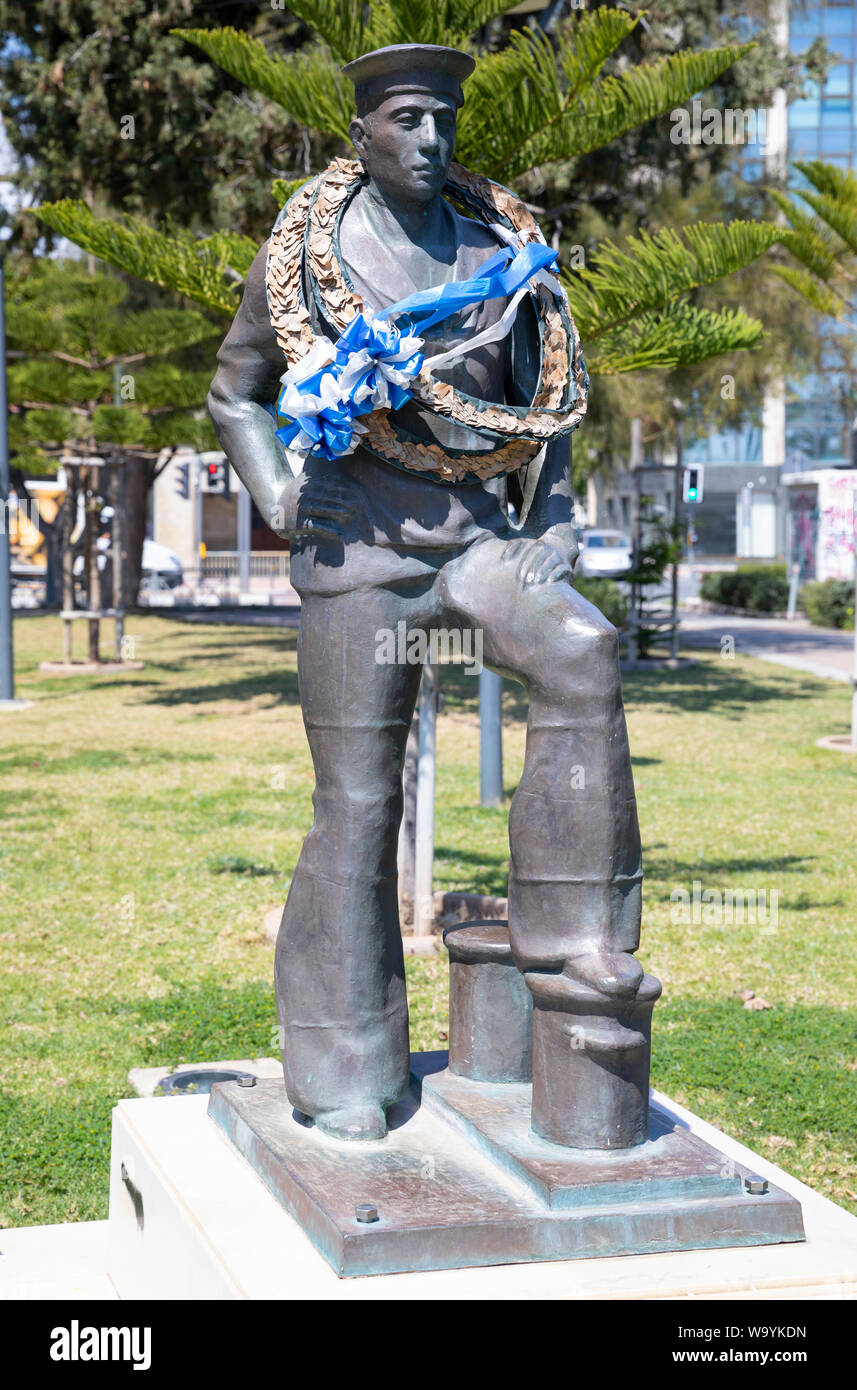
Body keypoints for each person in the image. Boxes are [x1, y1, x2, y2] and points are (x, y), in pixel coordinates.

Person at [208, 43, 644, 1142]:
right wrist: (279, 494)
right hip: (357, 551)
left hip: (474, 541)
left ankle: (575, 953)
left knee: (582, 650)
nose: (427, 140)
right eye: (404, 121)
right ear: (358, 132)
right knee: (357, 806)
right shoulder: (303, 255)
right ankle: (343, 1064)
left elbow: (548, 399)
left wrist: (546, 521)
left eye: (441, 121)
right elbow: (234, 393)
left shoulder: (503, 250)